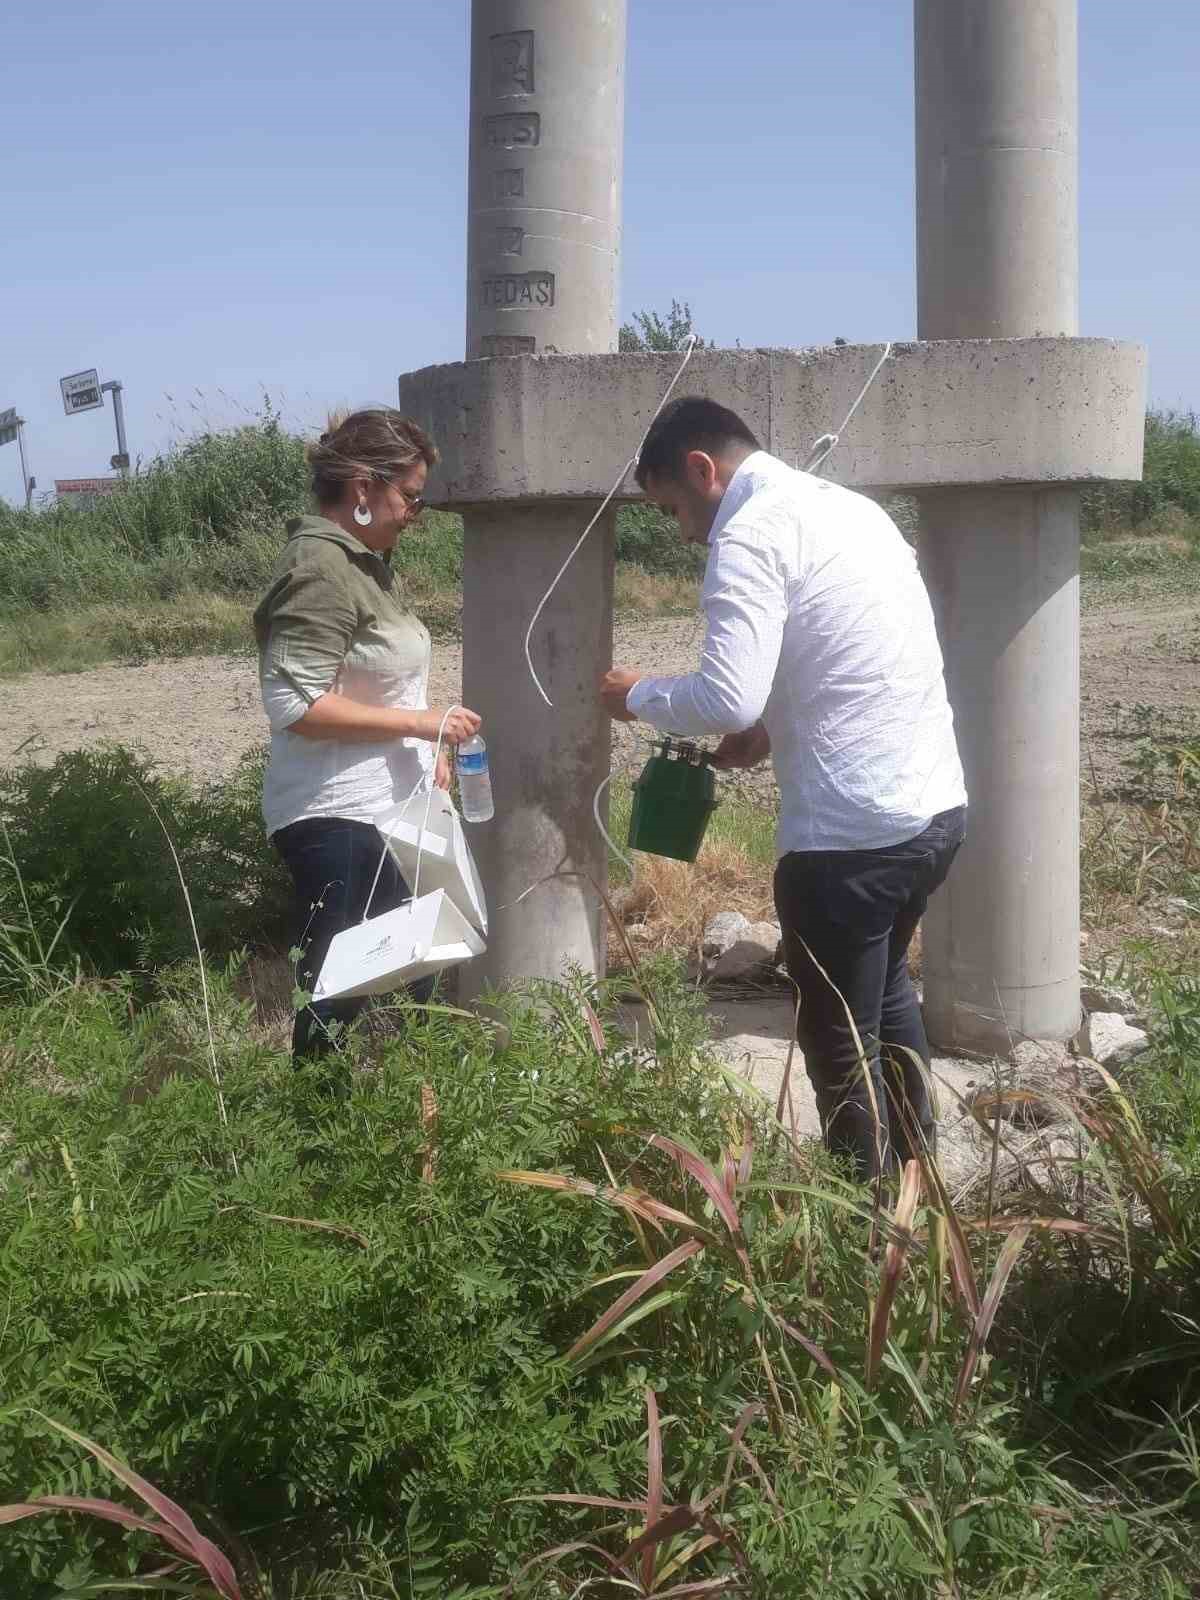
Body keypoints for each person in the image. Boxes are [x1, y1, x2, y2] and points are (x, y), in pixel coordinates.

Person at [600, 397, 967, 1182]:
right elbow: (847, 647)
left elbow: (723, 697)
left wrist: (636, 693)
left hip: (848, 843)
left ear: (704, 470)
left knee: (837, 1041)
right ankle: (916, 1181)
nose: (683, 530)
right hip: (932, 812)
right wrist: (771, 728)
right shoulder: (849, 509)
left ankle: (864, 1235)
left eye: (673, 508)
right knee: (889, 994)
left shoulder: (750, 532)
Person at [254, 409, 481, 1062]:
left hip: (392, 814)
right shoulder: (322, 567)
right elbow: (293, 702)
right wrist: (420, 724)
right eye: (410, 495)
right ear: (362, 486)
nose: (416, 511)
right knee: (335, 1004)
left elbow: (370, 683)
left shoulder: (362, 565)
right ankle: (320, 1144)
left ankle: (424, 1131)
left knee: (423, 977)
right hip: (338, 817)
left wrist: (425, 744)